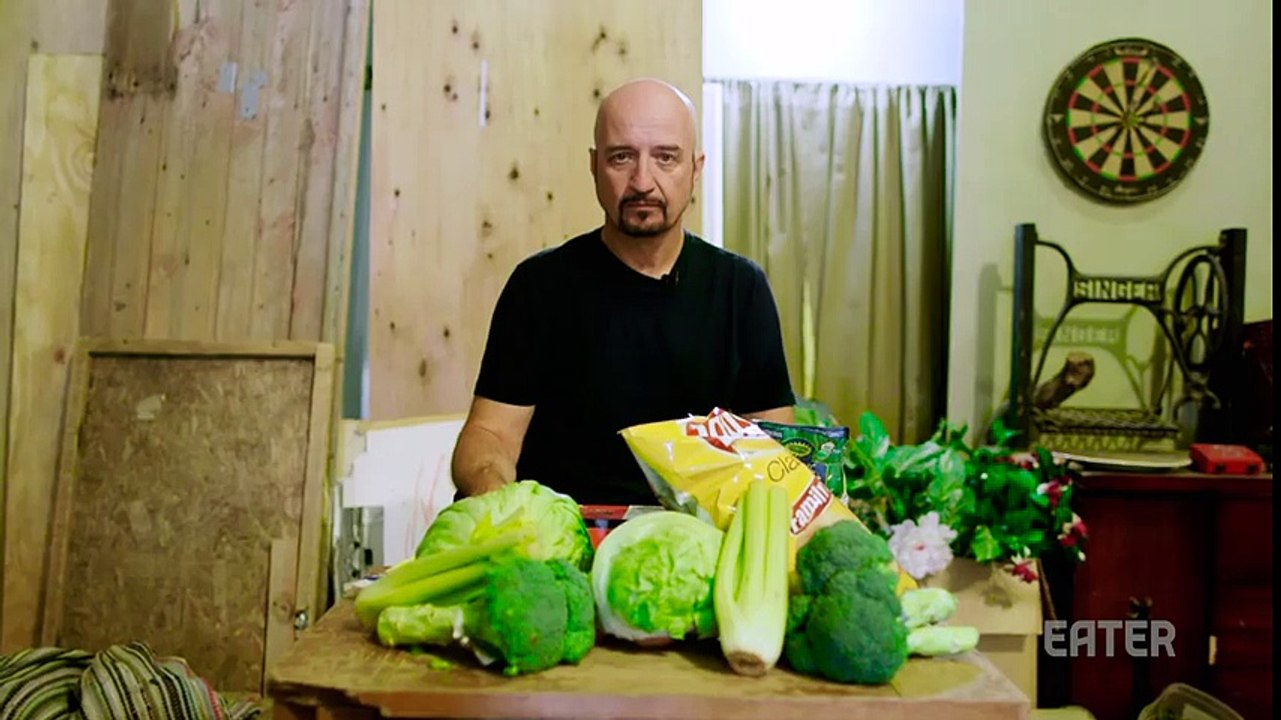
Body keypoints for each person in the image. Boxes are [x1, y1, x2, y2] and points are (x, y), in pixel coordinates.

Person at [450, 77, 796, 506]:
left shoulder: (741, 290)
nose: (642, 182)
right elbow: (491, 433)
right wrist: (493, 494)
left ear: (696, 169)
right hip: (563, 535)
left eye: (666, 158)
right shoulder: (539, 287)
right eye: (621, 157)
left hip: (697, 538)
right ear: (594, 166)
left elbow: (773, 447)